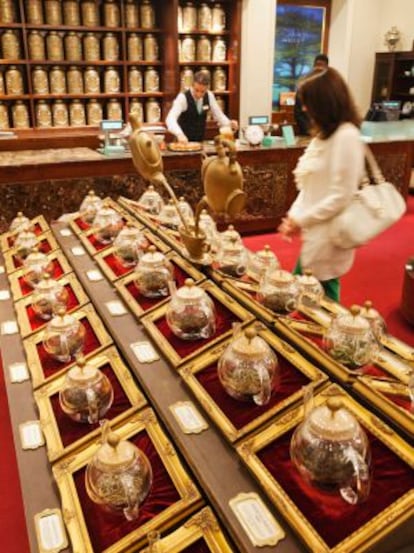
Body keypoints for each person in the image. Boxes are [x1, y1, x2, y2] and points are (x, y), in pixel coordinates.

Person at [278, 67, 364, 301]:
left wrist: (301, 219)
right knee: (303, 288)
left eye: (308, 102)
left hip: (331, 235)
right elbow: (308, 185)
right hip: (316, 232)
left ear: (325, 102)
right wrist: (295, 216)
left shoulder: (347, 136)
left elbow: (341, 196)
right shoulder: (324, 135)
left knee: (321, 295)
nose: (304, 108)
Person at [166, 70, 238, 143]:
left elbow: (219, 115)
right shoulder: (183, 98)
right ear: (192, 85)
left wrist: (229, 123)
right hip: (182, 142)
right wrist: (179, 134)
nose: (199, 94)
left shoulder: (209, 96)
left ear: (207, 88)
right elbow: (170, 119)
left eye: (202, 91)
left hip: (200, 141)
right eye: (196, 90)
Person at [294, 54, 329, 136]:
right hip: (307, 133)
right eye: (317, 65)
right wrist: (309, 130)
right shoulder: (303, 87)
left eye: (322, 66)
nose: (318, 69)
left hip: (325, 133)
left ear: (327, 68)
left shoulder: (330, 88)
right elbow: (298, 113)